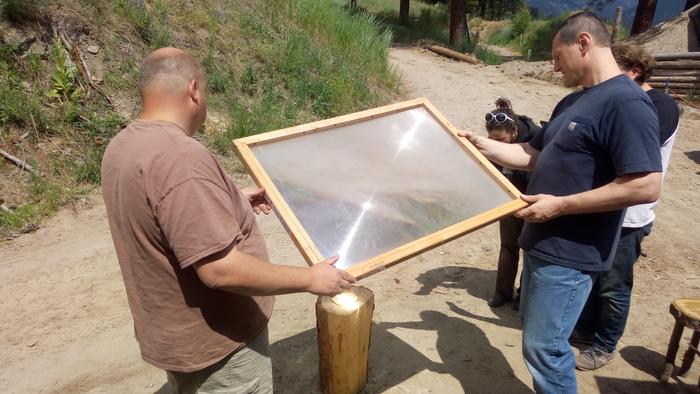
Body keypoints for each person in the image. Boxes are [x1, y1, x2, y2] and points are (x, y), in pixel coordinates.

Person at [101, 47, 356, 393]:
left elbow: (163, 211)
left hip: (175, 337)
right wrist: (310, 278)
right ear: (194, 90)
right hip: (218, 348)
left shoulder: (123, 145)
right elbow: (220, 270)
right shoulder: (180, 158)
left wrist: (228, 199)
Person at [459, 12, 662, 393]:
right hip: (541, 241)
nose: (553, 67)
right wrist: (475, 142)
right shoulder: (574, 101)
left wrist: (561, 205)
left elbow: (645, 186)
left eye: (557, 55)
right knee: (537, 340)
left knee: (546, 347)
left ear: (583, 43)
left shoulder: (626, 103)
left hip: (571, 252)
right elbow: (531, 155)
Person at [573, 43, 680, 370]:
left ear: (633, 71)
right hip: (602, 207)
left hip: (629, 216)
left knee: (614, 286)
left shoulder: (659, 106)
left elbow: (620, 153)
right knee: (592, 275)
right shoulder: (617, 99)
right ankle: (587, 329)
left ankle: (605, 345)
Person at [484, 98, 541, 310]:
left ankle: (523, 295)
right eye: (492, 140)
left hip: (532, 200)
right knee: (508, 246)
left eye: (502, 140)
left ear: (515, 131)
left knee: (529, 249)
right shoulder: (495, 141)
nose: (497, 145)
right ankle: (502, 292)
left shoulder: (536, 138)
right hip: (508, 201)